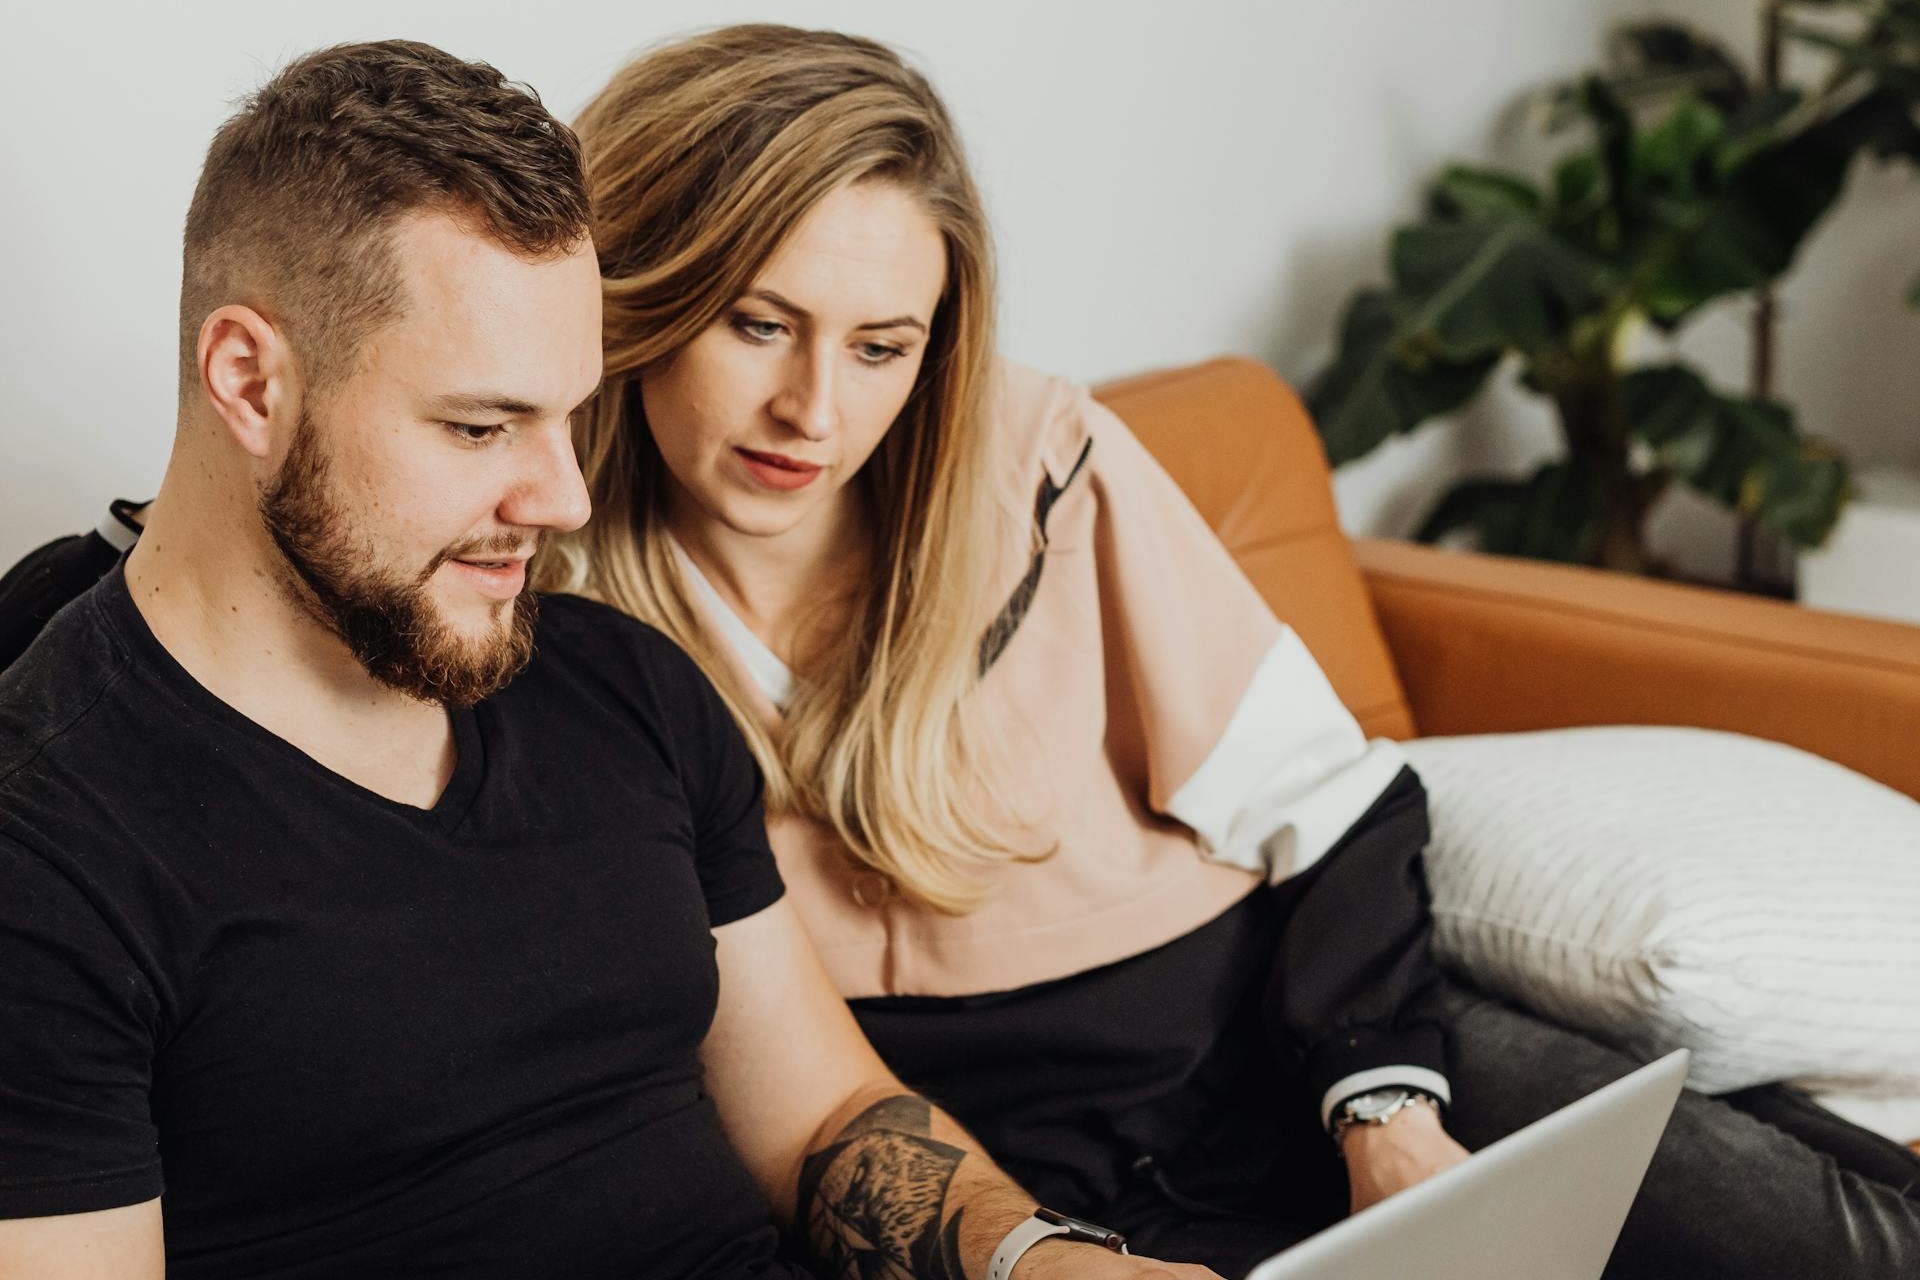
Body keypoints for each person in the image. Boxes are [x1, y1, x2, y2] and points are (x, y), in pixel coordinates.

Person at [9, 24, 1918, 1280]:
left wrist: (1078, 1242)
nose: (810, 412)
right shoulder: (160, 780)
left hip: (1259, 1046)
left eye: (884, 345)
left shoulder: (659, 654)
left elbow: (839, 1110)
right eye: (756, 324)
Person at [0, 40, 1213, 1280]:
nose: (565, 498)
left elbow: (825, 1121)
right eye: (481, 425)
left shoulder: (620, 686)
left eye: (567, 416)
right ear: (250, 381)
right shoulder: (50, 844)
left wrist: (1048, 1264)